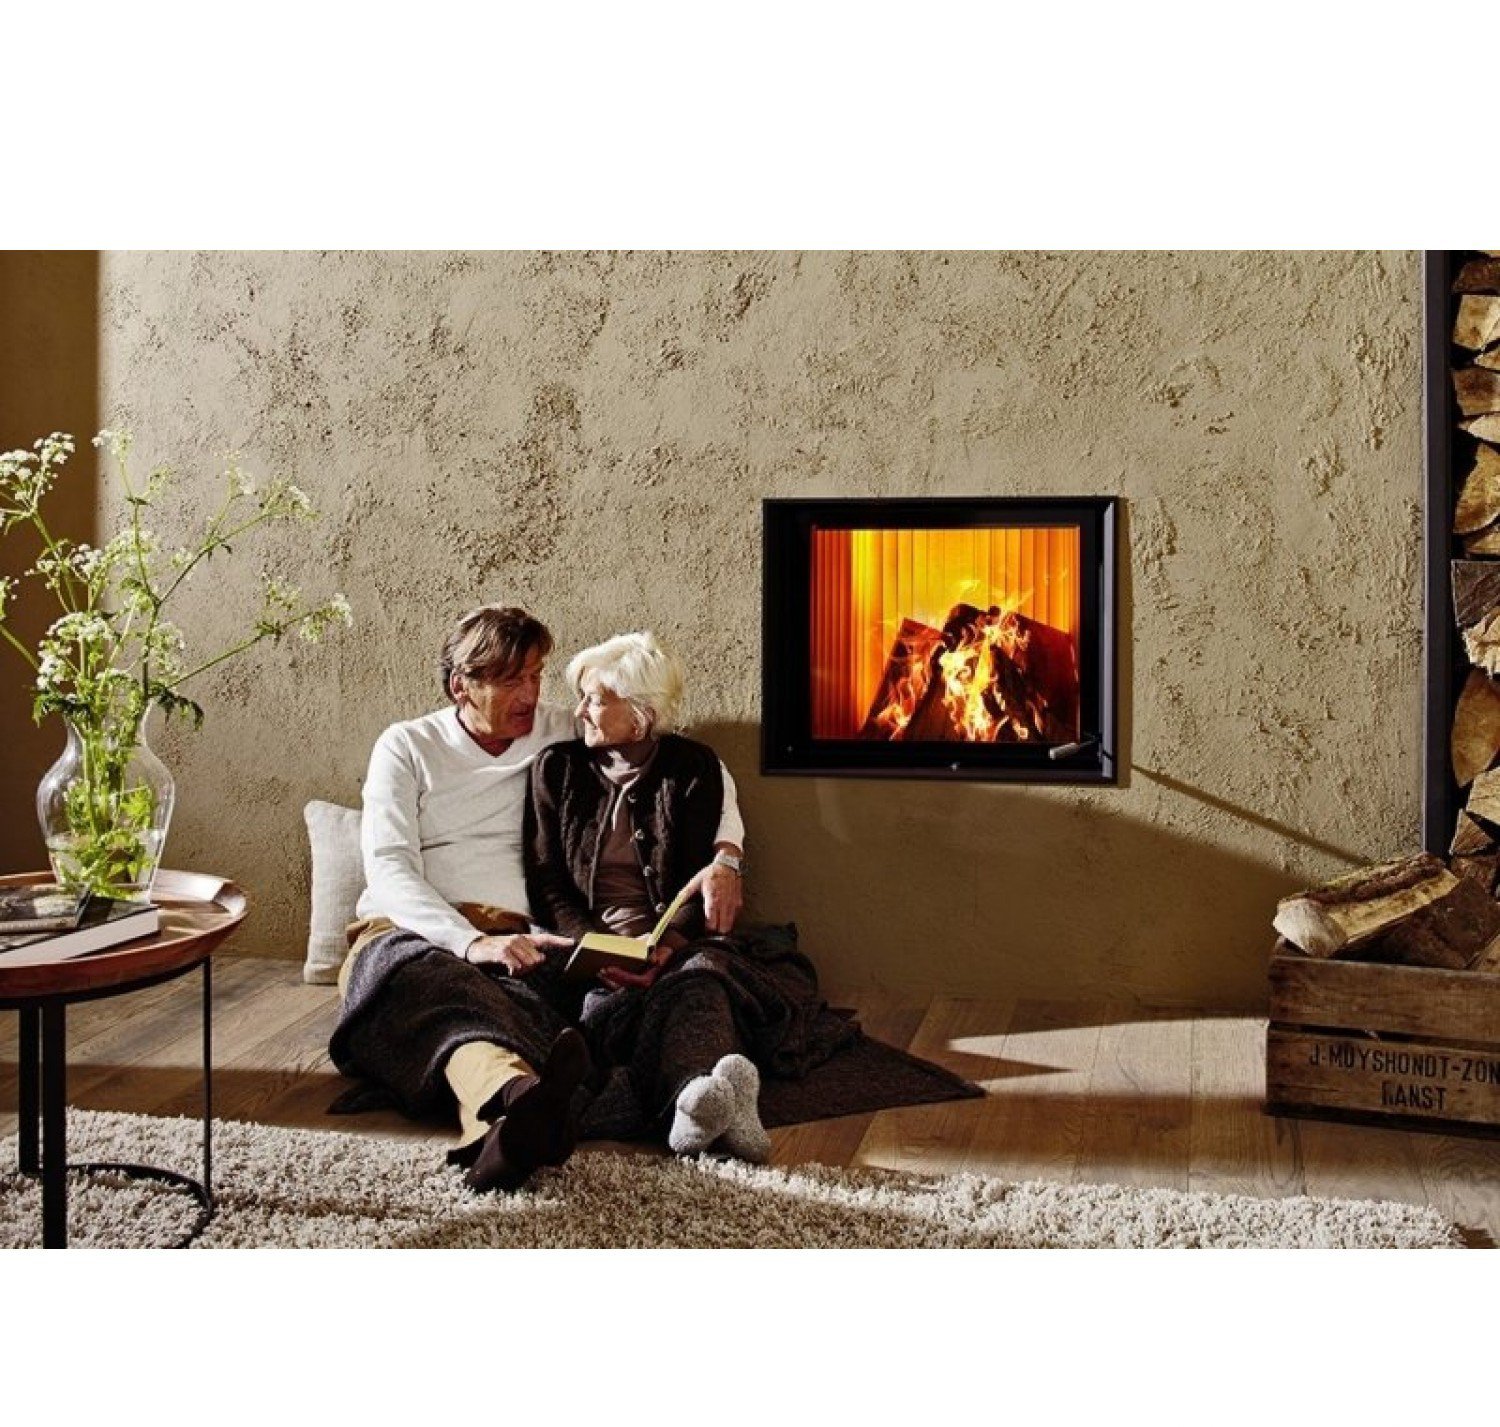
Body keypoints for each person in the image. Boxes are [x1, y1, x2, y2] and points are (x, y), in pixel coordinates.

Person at [328, 605, 747, 1192]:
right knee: (427, 982)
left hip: (527, 938)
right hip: (412, 930)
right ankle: (524, 1099)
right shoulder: (407, 746)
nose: (530, 694)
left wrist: (726, 858)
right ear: (461, 686)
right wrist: (469, 942)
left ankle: (511, 1117)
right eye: (510, 680)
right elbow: (390, 868)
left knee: (488, 1013)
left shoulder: (559, 729)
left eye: (535, 675)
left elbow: (692, 765)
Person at [524, 631, 857, 1162]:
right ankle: (713, 1102)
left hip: (673, 945)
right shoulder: (555, 769)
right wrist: (597, 948)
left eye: (595, 699)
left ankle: (695, 1099)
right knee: (599, 1008)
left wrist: (667, 947)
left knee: (700, 980)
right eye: (581, 697)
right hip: (586, 952)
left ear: (641, 714)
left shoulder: (692, 768)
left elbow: (693, 881)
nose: (580, 711)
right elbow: (547, 882)